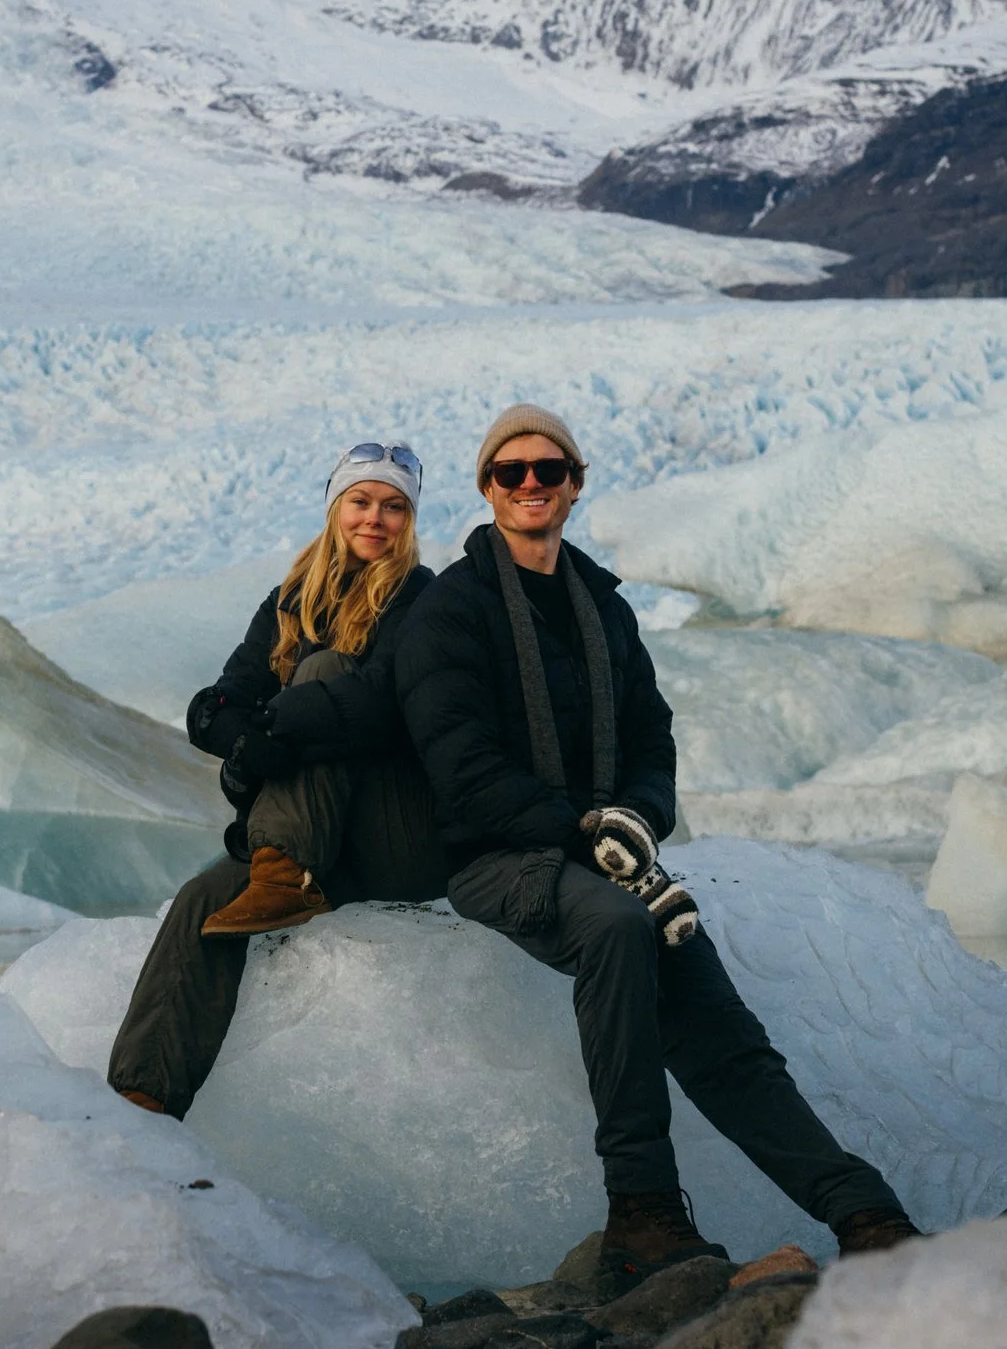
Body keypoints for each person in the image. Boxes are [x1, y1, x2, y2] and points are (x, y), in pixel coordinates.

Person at [395, 403, 920, 1286]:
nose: (531, 484)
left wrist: (635, 816)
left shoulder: (602, 608)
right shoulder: (451, 613)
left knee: (725, 1030)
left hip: (610, 853)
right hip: (498, 857)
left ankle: (865, 1211)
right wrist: (580, 829)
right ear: (486, 489)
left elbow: (651, 738)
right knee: (617, 927)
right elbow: (462, 768)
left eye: (549, 470)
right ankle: (640, 1210)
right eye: (512, 471)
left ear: (574, 484)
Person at [107, 440, 445, 1118]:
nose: (374, 518)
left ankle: (285, 872)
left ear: (409, 521)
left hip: (403, 834)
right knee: (202, 897)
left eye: (393, 506)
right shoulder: (292, 598)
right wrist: (247, 741)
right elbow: (217, 704)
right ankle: (141, 1102)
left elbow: (383, 703)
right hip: (325, 839)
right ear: (334, 507)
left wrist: (277, 725)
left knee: (324, 678)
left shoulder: (423, 598)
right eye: (360, 500)